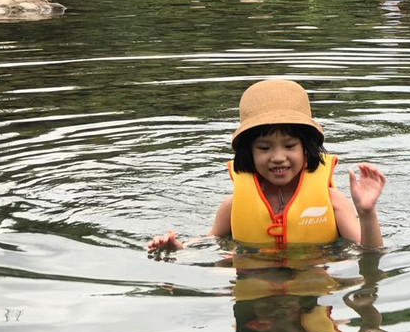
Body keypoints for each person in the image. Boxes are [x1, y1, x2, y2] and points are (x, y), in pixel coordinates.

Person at [148, 79, 385, 253]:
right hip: (257, 290)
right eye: (264, 148)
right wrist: (179, 248)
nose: (278, 157)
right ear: (248, 153)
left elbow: (368, 251)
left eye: (290, 145)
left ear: (307, 149)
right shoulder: (233, 205)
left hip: (312, 286)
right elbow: (210, 241)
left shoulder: (332, 200)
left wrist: (366, 212)